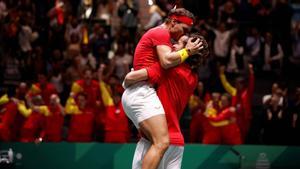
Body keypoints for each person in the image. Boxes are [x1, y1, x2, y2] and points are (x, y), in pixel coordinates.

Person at [121, 8, 203, 169]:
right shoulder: (193, 78)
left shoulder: (171, 69)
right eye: (184, 30)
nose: (177, 40)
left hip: (142, 99)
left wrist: (185, 50)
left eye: (180, 41)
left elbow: (130, 78)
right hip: (144, 98)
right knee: (162, 142)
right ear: (173, 22)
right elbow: (167, 60)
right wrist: (188, 51)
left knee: (161, 142)